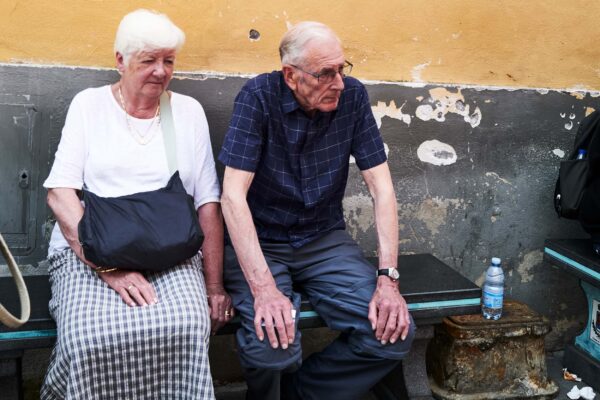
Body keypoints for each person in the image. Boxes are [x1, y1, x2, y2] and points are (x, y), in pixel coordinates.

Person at [219, 21, 416, 400]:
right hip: (261, 242)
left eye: (342, 69)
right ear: (291, 76)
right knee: (270, 348)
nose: (339, 83)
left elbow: (382, 188)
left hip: (324, 240)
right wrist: (263, 289)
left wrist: (388, 281)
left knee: (393, 331)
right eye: (326, 73)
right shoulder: (257, 97)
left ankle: (301, 393)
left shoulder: (353, 97)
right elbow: (232, 196)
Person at [41, 9, 232, 399]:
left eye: (168, 61)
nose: (161, 71)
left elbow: (208, 204)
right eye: (148, 61)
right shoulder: (89, 105)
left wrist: (215, 286)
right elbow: (60, 194)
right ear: (120, 60)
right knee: (87, 338)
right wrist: (108, 267)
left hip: (172, 248)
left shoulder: (188, 112)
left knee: (186, 326)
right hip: (91, 248)